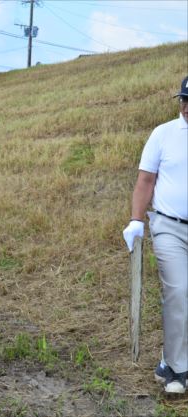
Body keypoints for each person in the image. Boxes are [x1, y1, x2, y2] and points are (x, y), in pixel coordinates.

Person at [122, 75, 188, 395]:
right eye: (184, 100)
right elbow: (146, 180)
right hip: (168, 226)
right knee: (179, 290)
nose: (187, 107)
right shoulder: (163, 135)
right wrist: (137, 220)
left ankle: (170, 359)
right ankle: (177, 370)